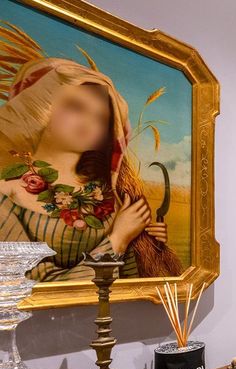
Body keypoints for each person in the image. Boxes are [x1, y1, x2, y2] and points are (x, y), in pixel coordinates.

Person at [0, 57, 181, 280]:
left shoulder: (105, 190)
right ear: (43, 104)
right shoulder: (7, 190)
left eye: (101, 118)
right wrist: (118, 239)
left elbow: (128, 279)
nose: (88, 124)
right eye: (76, 107)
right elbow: (37, 286)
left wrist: (149, 243)